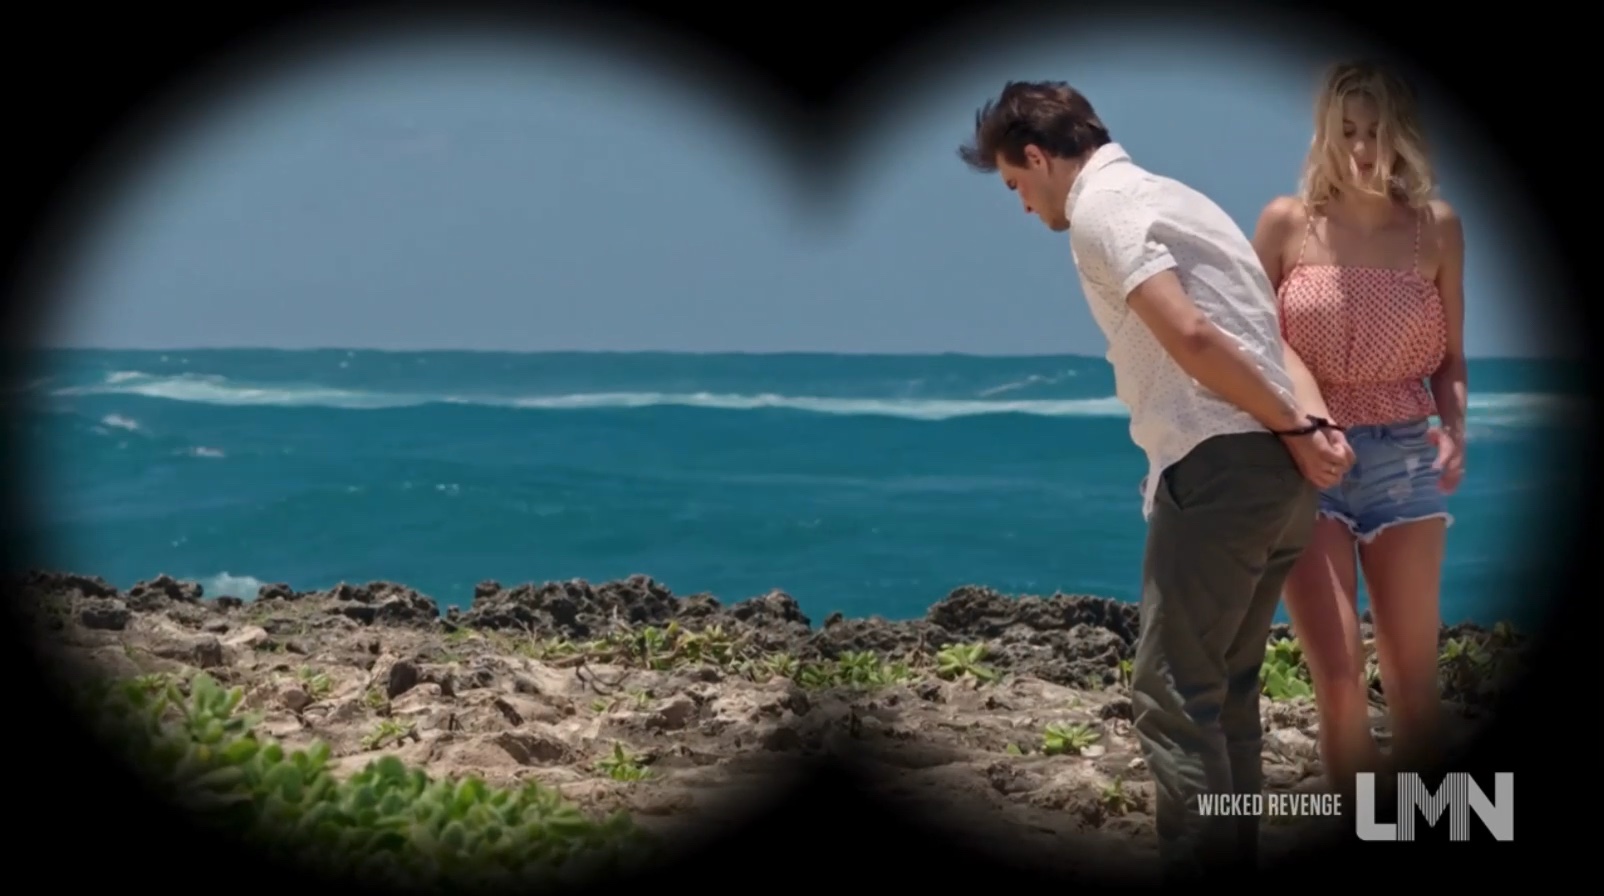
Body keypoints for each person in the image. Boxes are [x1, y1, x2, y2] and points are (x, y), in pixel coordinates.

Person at [957, 81, 1353, 881]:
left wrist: (1292, 426)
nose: (1023, 205)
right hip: (1277, 479)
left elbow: (1192, 335)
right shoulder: (1186, 201)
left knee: (1171, 693)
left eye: (1016, 185)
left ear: (1038, 157)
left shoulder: (1105, 210)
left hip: (1221, 465)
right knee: (1226, 690)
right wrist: (1310, 427)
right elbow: (1270, 337)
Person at [1249, 60, 1465, 792]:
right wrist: (1304, 420)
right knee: (1340, 682)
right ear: (1326, 133)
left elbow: (1452, 359)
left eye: (1378, 132)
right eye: (1348, 132)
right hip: (1305, 463)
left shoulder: (1436, 229)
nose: (1364, 150)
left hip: (1405, 457)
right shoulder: (1285, 223)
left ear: (1404, 135)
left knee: (1413, 690)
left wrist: (1455, 428)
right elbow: (1250, 337)